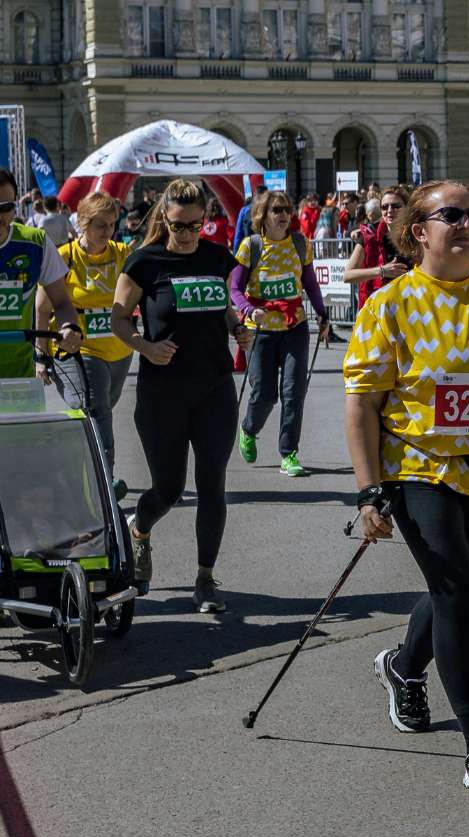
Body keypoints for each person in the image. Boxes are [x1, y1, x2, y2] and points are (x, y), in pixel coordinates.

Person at [344, 180, 469, 801]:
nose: (466, 223)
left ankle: (402, 666)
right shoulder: (391, 304)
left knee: (458, 585)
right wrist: (369, 492)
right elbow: (362, 407)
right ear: (417, 230)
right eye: (448, 214)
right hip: (418, 467)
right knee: (457, 592)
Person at [110, 179, 254, 612]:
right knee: (168, 489)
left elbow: (223, 307)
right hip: (163, 394)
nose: (189, 234)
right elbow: (119, 319)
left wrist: (237, 328)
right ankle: (140, 529)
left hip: (214, 389)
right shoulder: (144, 262)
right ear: (164, 219)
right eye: (180, 226)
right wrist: (145, 348)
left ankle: (206, 579)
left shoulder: (215, 257)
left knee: (213, 486)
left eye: (197, 225)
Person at [38, 192, 132, 497]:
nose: (108, 232)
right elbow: (42, 308)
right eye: (100, 225)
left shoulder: (122, 253)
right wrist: (41, 356)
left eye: (112, 224)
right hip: (77, 350)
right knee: (97, 409)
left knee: (97, 414)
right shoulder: (64, 257)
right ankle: (106, 482)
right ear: (83, 224)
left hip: (119, 350)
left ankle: (84, 472)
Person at [231, 187, 328, 478]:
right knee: (265, 394)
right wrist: (249, 310)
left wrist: (323, 315)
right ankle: (249, 428)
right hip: (261, 330)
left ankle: (289, 453)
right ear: (263, 215)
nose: (283, 215)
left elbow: (310, 284)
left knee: (294, 392)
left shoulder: (300, 244)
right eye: (277, 210)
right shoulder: (251, 246)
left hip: (294, 326)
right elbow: (234, 289)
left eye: (287, 209)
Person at [0, 170, 86, 388]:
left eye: (5, 208)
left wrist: (68, 327)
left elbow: (62, 303)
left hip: (21, 375)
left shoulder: (35, 243)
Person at [343, 186, 410, 308]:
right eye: (385, 207)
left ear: (406, 208)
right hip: (379, 308)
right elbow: (347, 275)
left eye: (396, 206)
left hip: (410, 307)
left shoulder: (417, 234)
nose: (389, 210)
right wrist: (382, 271)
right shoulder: (369, 235)